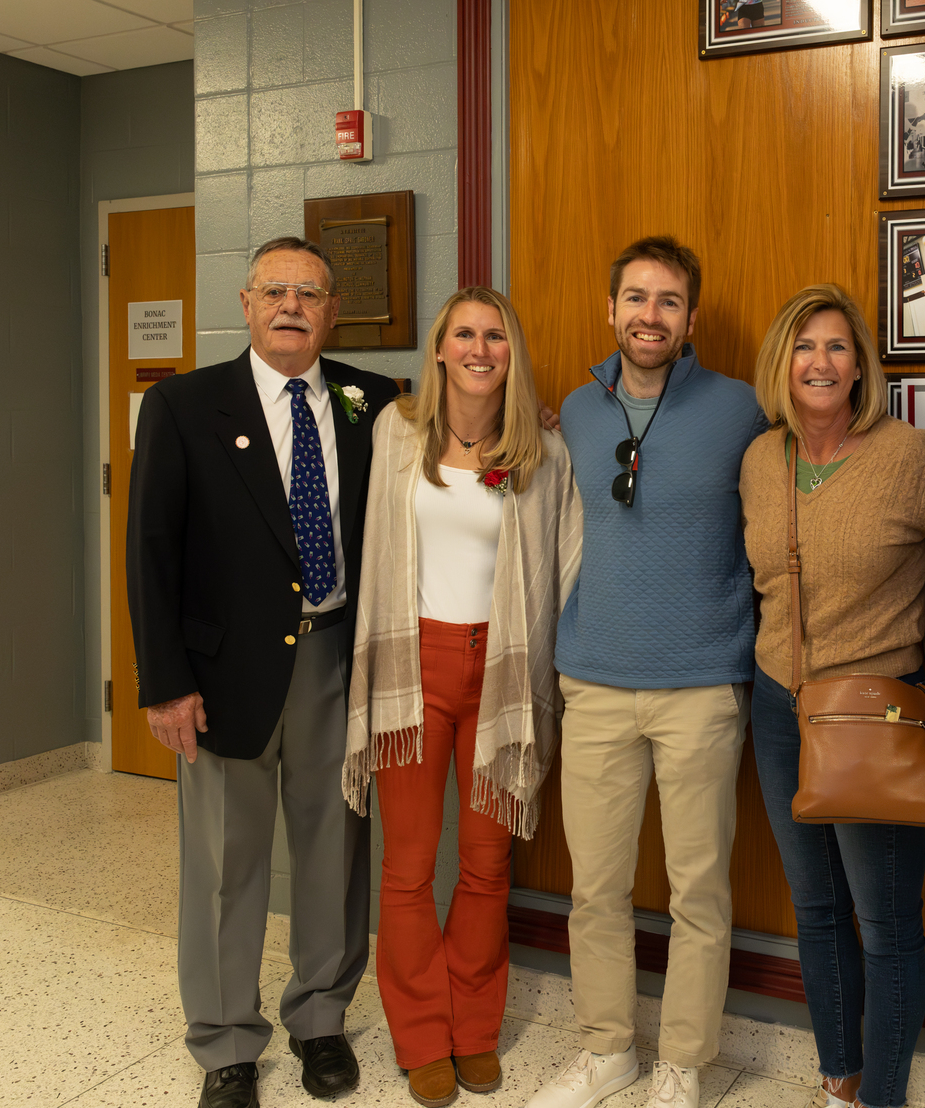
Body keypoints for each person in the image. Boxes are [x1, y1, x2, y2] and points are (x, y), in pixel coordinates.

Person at [127, 236, 400, 1108]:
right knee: (224, 863)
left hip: (336, 657)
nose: (291, 305)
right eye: (274, 290)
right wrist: (165, 682)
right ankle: (226, 1044)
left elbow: (463, 441)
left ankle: (320, 1019)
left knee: (334, 851)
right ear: (245, 304)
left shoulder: (376, 401)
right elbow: (150, 553)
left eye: (310, 292)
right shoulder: (181, 405)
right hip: (220, 674)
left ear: (332, 311)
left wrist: (529, 422)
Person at [522, 236, 767, 1108]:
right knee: (597, 887)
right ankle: (607, 1051)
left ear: (691, 318)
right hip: (592, 679)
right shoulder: (577, 413)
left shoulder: (740, 409)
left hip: (703, 683)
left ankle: (685, 1064)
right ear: (611, 310)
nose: (649, 316)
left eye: (668, 301)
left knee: (698, 888)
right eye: (635, 298)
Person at [341, 288, 583, 1106]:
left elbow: (567, 561)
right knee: (408, 871)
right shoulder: (394, 433)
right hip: (412, 670)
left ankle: (473, 1029)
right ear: (440, 350)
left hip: (504, 675)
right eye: (465, 335)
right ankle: (419, 1037)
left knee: (485, 868)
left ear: (512, 353)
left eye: (496, 337)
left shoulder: (541, 445)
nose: (480, 349)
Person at [738, 285, 925, 1108]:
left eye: (835, 347)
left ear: (860, 365)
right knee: (817, 907)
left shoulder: (912, 457)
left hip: (872, 711)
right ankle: (841, 1082)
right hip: (777, 703)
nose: (819, 362)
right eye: (803, 346)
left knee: (887, 923)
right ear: (781, 364)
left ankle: (885, 1097)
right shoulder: (761, 459)